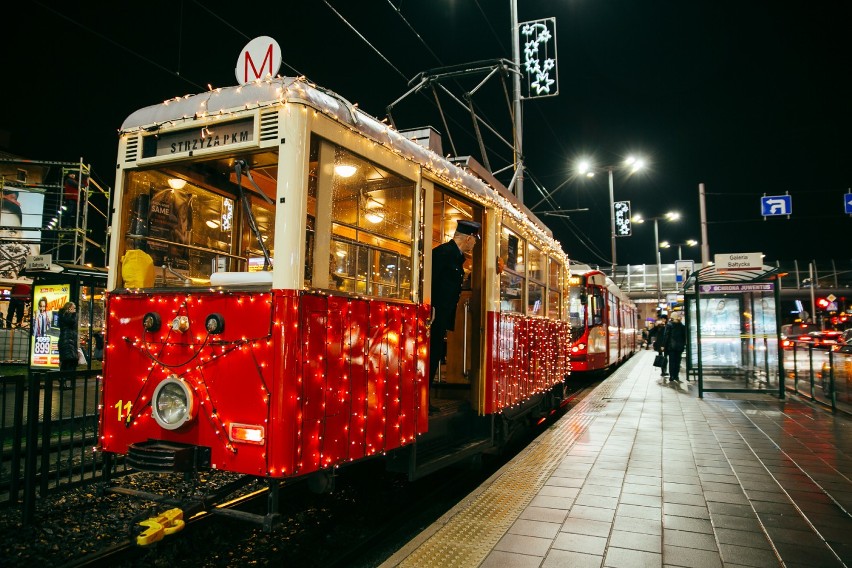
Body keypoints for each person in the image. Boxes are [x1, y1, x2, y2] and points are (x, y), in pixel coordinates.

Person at [429, 219, 480, 414]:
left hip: (442, 315)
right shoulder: (443, 253)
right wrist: (432, 310)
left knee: (435, 356)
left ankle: (426, 400)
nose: (475, 244)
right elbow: (432, 282)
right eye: (474, 240)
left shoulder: (455, 256)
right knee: (432, 356)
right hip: (435, 315)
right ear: (468, 238)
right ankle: (424, 400)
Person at [663, 312, 687, 382]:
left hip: (671, 347)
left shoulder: (669, 325)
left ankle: (672, 376)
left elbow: (666, 336)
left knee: (672, 362)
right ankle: (676, 376)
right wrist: (683, 344)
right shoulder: (682, 326)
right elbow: (684, 337)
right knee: (677, 362)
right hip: (679, 347)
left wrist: (663, 345)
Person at [57, 301, 79, 377]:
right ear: (69, 308)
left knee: (70, 361)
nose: (75, 309)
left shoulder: (64, 316)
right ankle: (64, 379)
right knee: (67, 361)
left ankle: (65, 380)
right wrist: (73, 314)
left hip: (69, 341)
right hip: (66, 342)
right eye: (74, 308)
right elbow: (71, 322)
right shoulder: (66, 316)